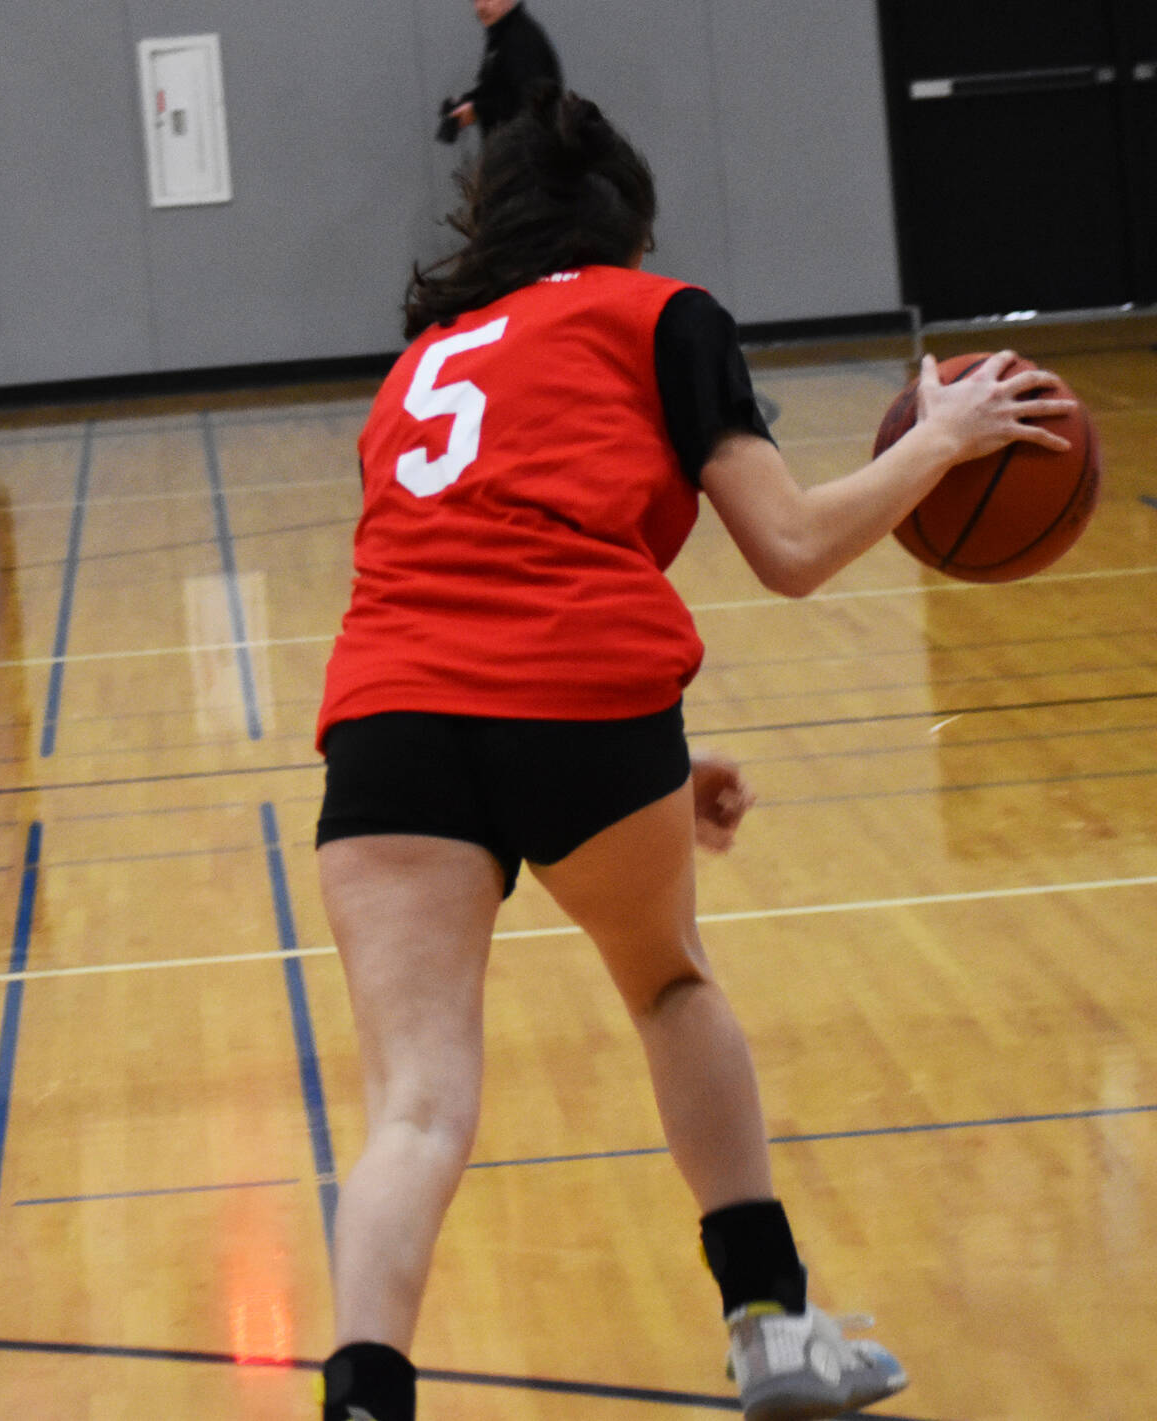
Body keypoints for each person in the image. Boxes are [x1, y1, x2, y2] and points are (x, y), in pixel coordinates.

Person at [315, 87, 1073, 1421]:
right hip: (585, 701)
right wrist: (944, 440)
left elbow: (472, 586)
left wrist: (664, 755)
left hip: (388, 720)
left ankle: (365, 1399)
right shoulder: (657, 314)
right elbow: (788, 549)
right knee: (669, 983)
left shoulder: (420, 367)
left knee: (416, 1113)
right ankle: (772, 1327)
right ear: (628, 230)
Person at [436, 0, 562, 143]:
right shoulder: (501, 37)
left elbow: (530, 105)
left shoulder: (522, 41)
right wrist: (466, 102)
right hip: (511, 153)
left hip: (527, 155)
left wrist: (478, 110)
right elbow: (497, 88)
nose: (481, 7)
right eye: (476, 1)